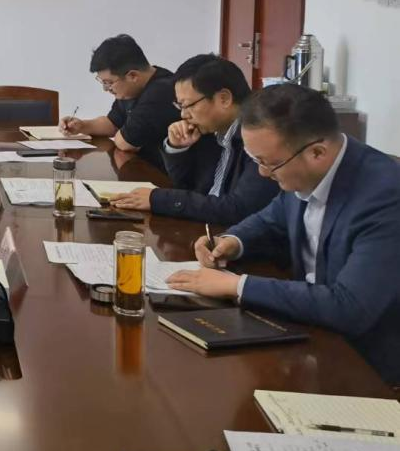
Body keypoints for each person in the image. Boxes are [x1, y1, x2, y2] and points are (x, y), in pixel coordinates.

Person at [168, 84, 400, 384]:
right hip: (308, 330)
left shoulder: (385, 197)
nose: (263, 173)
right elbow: (272, 218)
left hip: (367, 364)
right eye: (257, 161)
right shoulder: (303, 166)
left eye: (269, 163)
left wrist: (238, 286)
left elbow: (350, 308)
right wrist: (232, 242)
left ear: (317, 152)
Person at [109, 54, 278, 224]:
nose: (183, 115)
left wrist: (159, 200)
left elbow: (238, 209)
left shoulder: (260, 137)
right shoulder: (211, 131)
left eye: (188, 105)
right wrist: (178, 149)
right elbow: (186, 187)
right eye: (180, 106)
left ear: (224, 99)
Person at [60, 34, 180, 173]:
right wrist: (82, 126)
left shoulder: (160, 92)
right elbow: (112, 123)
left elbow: (125, 143)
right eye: (102, 82)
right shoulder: (133, 88)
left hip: (163, 176)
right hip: (138, 168)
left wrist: (121, 134)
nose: (105, 89)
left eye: (108, 83)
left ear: (132, 76)